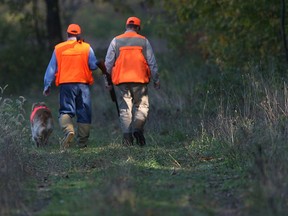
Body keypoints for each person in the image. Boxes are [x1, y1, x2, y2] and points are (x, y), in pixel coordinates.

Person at [104, 16, 160, 146]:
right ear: (138, 28)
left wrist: (107, 81)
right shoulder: (144, 41)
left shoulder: (115, 41)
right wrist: (156, 79)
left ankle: (127, 139)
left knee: (125, 109)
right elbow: (152, 63)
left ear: (126, 26)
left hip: (121, 81)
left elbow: (107, 64)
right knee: (142, 106)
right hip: (140, 80)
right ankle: (138, 128)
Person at [43, 23, 98, 149]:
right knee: (84, 112)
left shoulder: (58, 48)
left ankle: (69, 131)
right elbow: (94, 65)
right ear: (78, 34)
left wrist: (47, 85)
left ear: (67, 34)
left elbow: (51, 68)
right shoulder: (86, 47)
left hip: (66, 85)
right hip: (83, 85)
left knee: (66, 111)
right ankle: (82, 144)